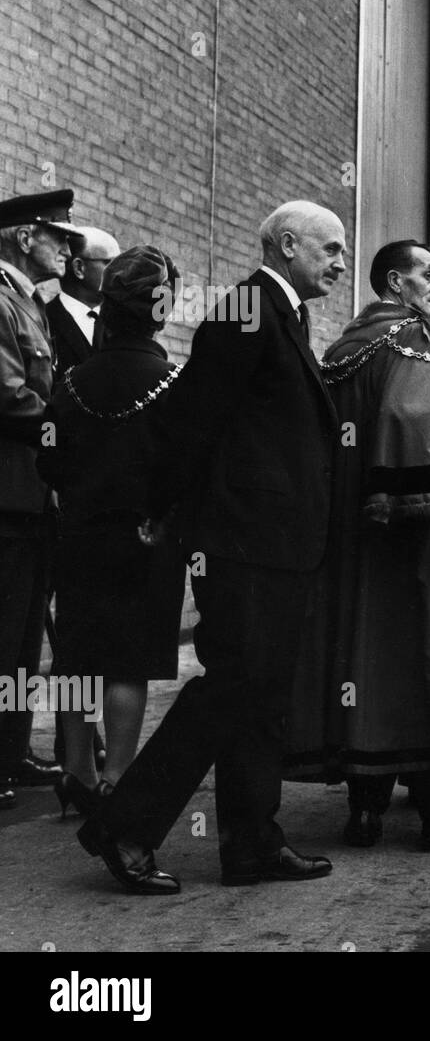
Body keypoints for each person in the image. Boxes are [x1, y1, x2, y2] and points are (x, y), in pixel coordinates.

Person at [78, 200, 344, 894]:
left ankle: (253, 843)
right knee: (229, 689)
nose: (342, 262)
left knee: (260, 697)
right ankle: (125, 826)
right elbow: (194, 419)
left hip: (274, 543)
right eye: (331, 248)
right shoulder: (248, 311)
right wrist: (163, 509)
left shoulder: (281, 313)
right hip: (245, 543)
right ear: (288, 245)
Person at [284, 240, 430, 851]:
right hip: (419, 536)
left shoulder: (341, 348)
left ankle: (366, 811)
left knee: (367, 655)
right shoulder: (414, 338)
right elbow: (415, 423)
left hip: (355, 535)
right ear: (393, 283)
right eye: (427, 275)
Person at [37, 246, 187, 819]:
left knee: (78, 657)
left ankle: (77, 772)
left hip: (80, 534)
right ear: (160, 309)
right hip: (147, 536)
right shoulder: (172, 381)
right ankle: (116, 778)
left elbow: (48, 458)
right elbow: (184, 463)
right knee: (129, 660)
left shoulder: (72, 380)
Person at [0, 190, 77, 805]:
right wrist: (74, 429)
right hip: (8, 496)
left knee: (24, 638)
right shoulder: (2, 299)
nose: (67, 249)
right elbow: (10, 397)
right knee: (4, 635)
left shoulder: (28, 302)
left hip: (31, 496)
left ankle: (13, 752)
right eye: (59, 237)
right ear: (25, 236)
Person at [46, 225, 118, 772]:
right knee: (68, 634)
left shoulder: (115, 329)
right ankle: (71, 757)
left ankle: (84, 756)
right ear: (78, 267)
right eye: (106, 263)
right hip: (60, 493)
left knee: (96, 635)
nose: (113, 274)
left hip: (105, 502)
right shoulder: (47, 320)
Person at [48, 227, 119, 375]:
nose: (120, 273)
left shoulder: (121, 325)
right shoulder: (43, 320)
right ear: (79, 268)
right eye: (111, 264)